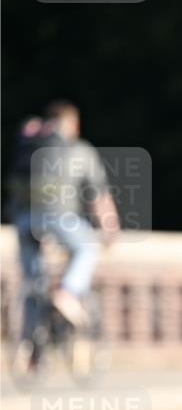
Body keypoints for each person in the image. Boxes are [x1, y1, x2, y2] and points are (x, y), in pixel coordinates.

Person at [10, 100, 121, 337]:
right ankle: (67, 291)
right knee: (87, 246)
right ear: (74, 125)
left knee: (33, 281)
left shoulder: (31, 146)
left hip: (25, 221)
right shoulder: (80, 150)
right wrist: (110, 228)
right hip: (60, 218)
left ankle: (30, 346)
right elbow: (98, 196)